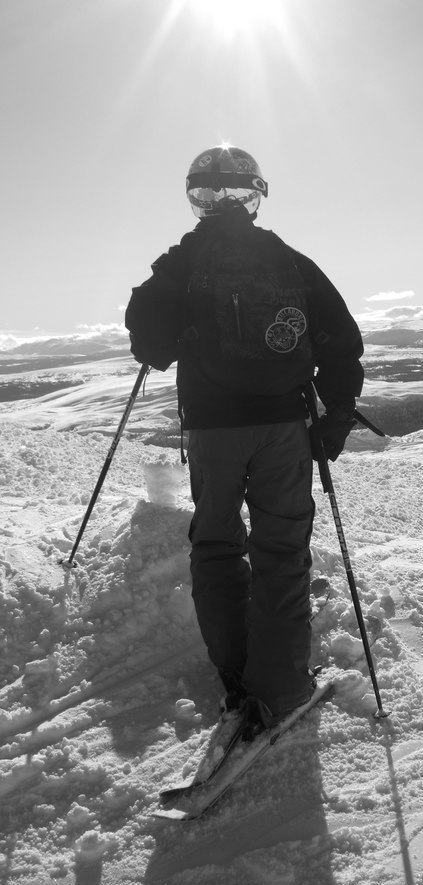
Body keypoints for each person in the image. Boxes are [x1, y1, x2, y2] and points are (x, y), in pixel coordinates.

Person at [125, 145, 364, 737]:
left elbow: (150, 345)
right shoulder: (289, 261)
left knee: (215, 545)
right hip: (284, 425)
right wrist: (336, 413)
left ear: (196, 197)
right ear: (256, 196)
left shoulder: (181, 263)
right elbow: (340, 338)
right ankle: (282, 687)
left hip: (213, 429)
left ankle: (235, 679)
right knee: (282, 552)